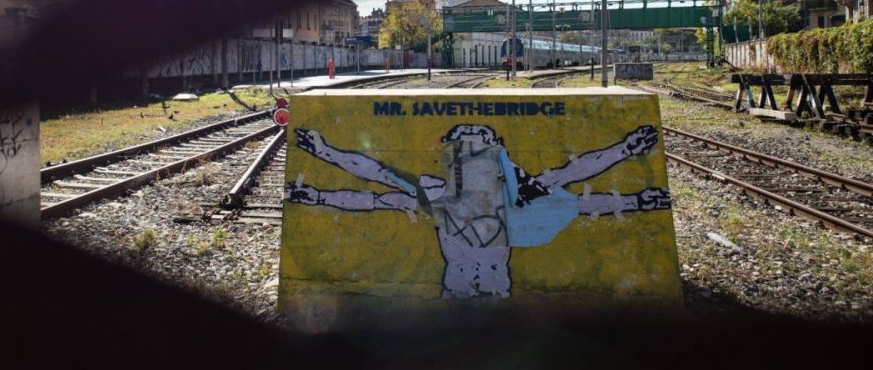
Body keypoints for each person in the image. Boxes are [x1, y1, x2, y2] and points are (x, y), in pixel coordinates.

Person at [286, 123, 670, 299]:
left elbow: (378, 183)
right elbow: (377, 184)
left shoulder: (492, 196)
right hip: (470, 296)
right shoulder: (505, 195)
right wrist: (321, 168)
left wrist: (630, 172)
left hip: (480, 297)